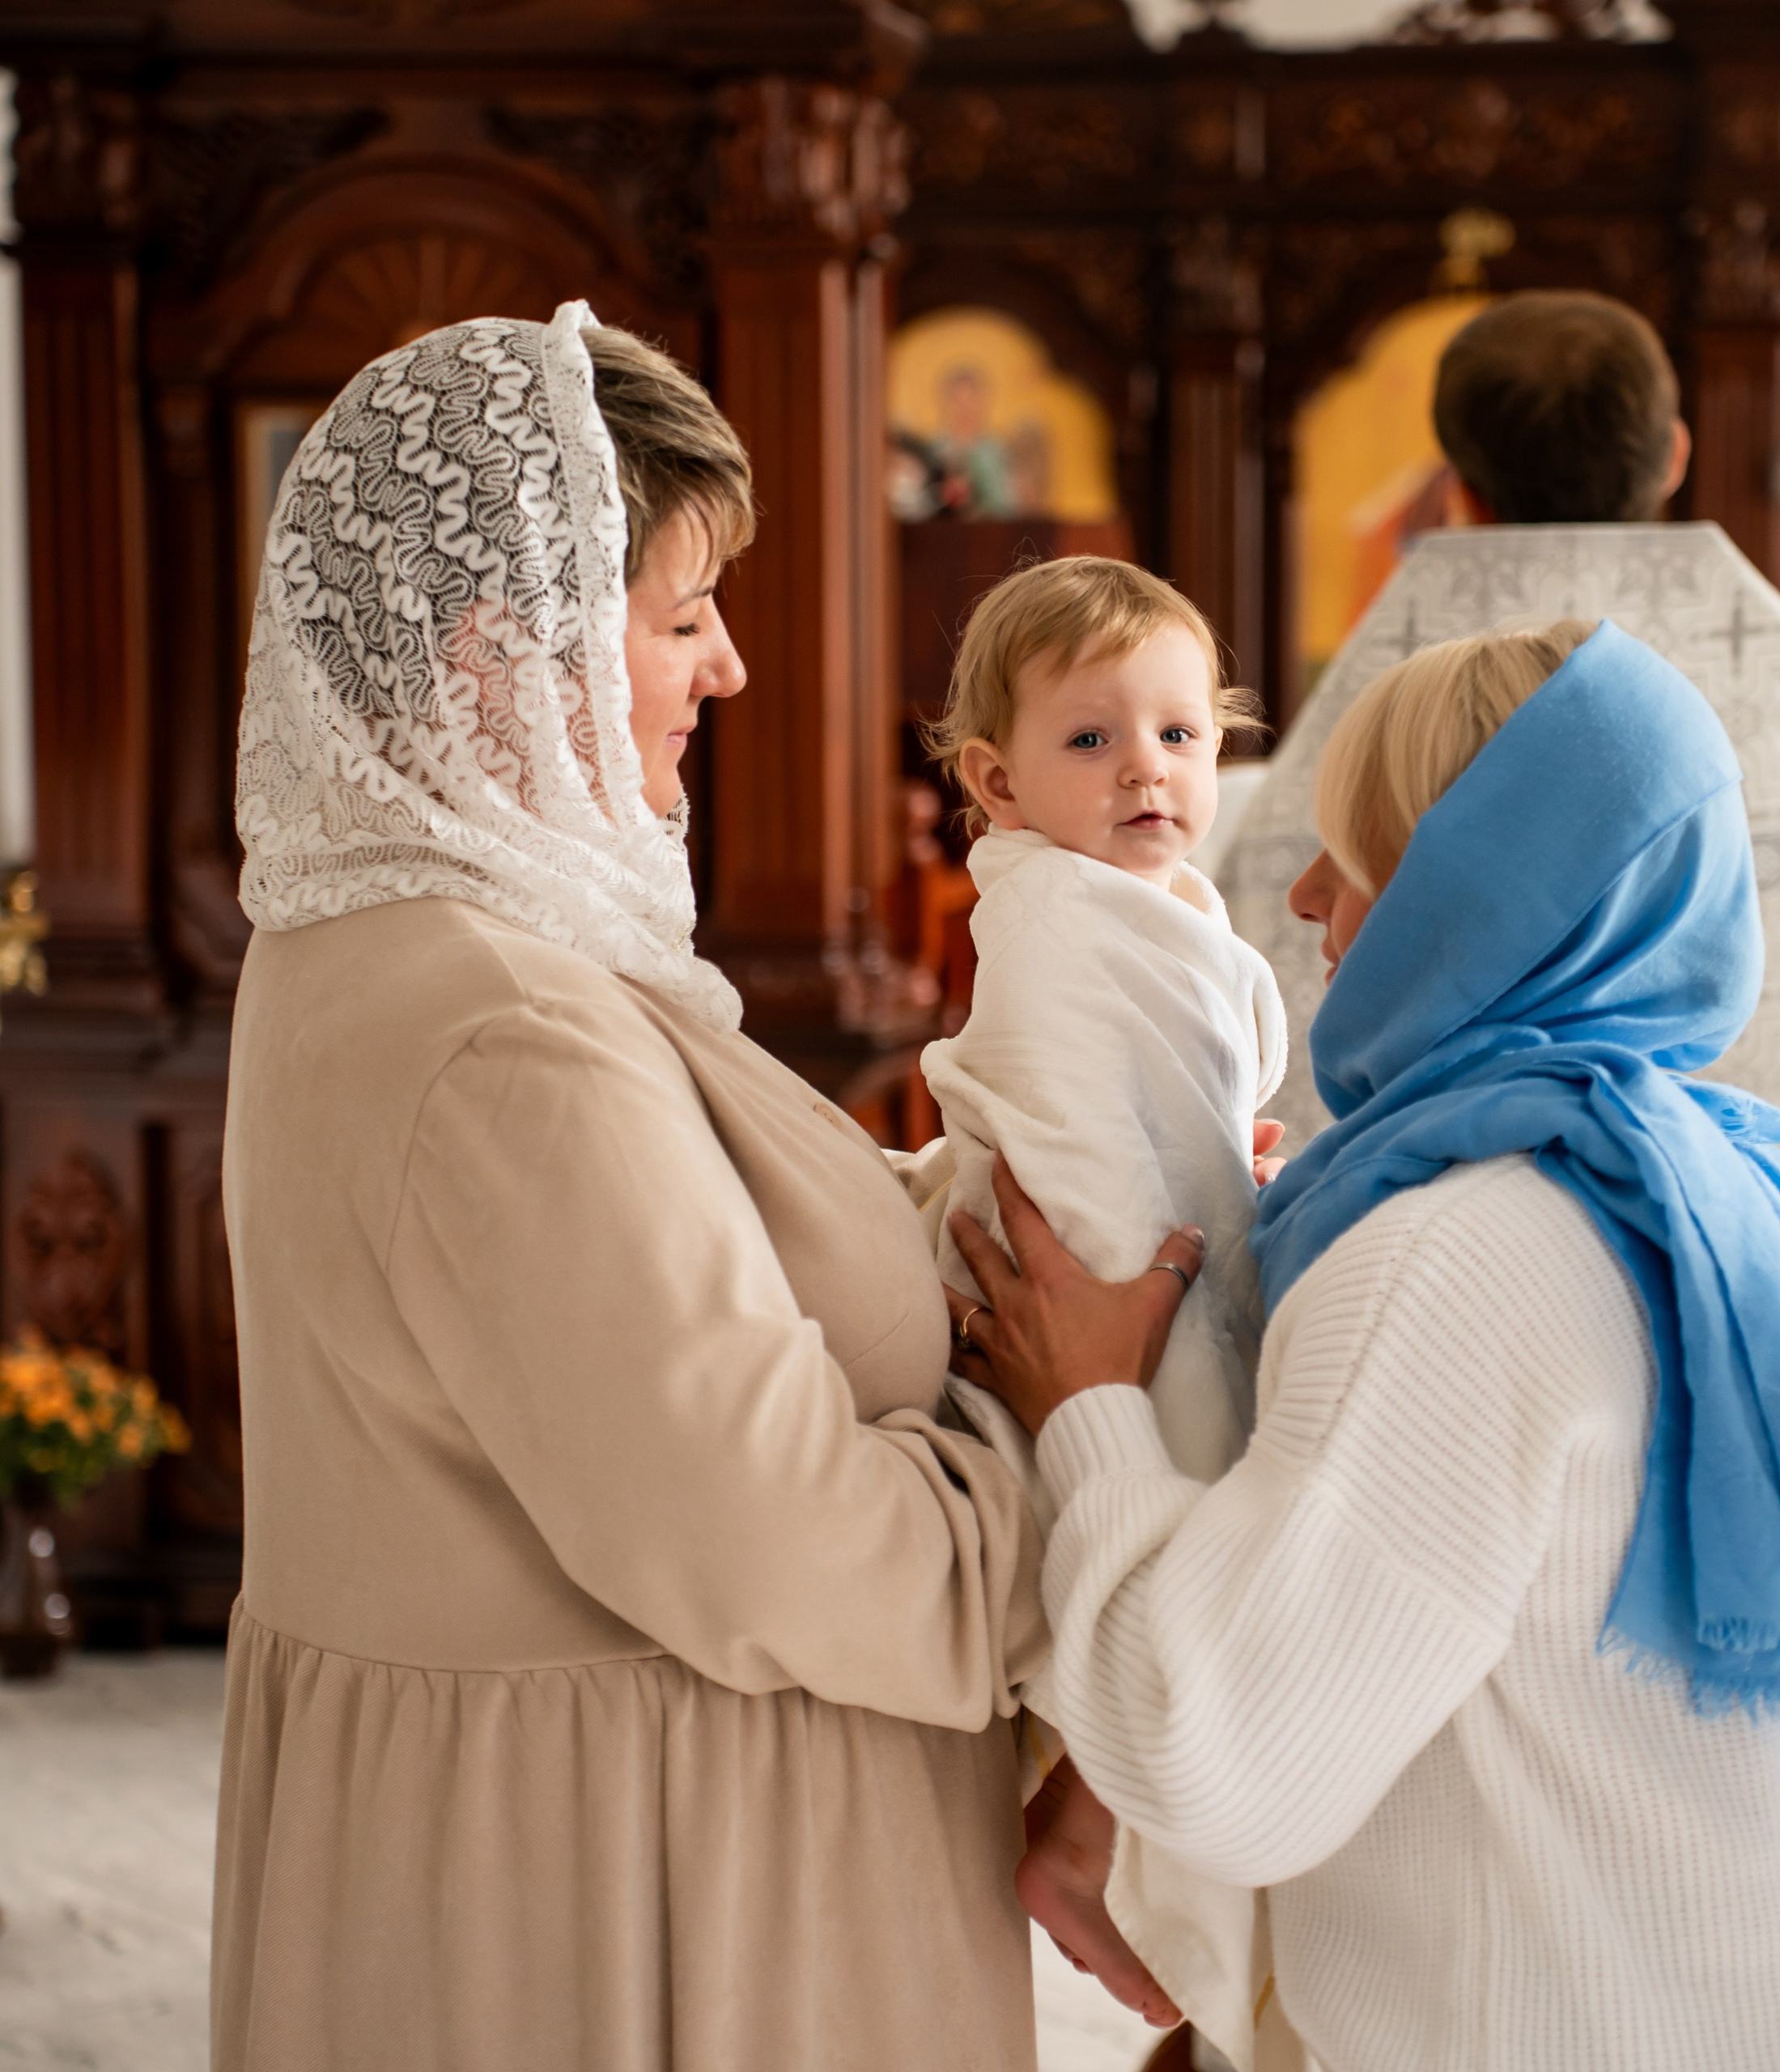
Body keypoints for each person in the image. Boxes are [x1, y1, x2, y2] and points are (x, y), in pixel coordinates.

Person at [213, 304, 1200, 2072]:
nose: (727, 665)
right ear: (504, 658)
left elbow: (684, 1252)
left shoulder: (411, 933)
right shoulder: (495, 1027)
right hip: (649, 1904)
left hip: (589, 1843)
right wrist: (1080, 1421)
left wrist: (1026, 1184)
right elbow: (783, 1537)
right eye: (680, 619)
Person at [951, 618, 1780, 2072]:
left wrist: (1090, 1408)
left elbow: (1222, 1758)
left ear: (1471, 903)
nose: (1307, 896)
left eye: (1361, 864)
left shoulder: (1457, 1251)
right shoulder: (1728, 1188)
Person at [1217, 289, 1780, 2056]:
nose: (1321, 899)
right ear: (1674, 451)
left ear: (1445, 483)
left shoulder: (1379, 721)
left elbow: (1228, 965)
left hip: (1456, 1377)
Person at [916, 554, 1285, 2062]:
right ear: (997, 782)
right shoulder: (1052, 924)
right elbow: (1068, 1117)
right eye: (1092, 741)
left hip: (1175, 1252)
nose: (1148, 767)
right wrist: (1124, 1323)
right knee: (1199, 1542)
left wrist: (1242, 1157)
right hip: (1101, 1277)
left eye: (1181, 735)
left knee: (1216, 1556)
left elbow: (1207, 1087)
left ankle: (1092, 1825)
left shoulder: (1171, 904)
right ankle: (1096, 1842)